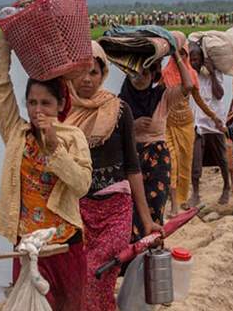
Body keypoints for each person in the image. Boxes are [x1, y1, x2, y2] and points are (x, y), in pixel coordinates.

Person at [0, 34, 92, 311]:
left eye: (45, 103)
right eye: (32, 103)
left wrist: (55, 149)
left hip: (64, 245)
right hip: (27, 246)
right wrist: (5, 49)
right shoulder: (17, 133)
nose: (38, 111)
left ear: (60, 105)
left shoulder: (73, 138)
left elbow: (82, 185)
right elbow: (0, 92)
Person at [65, 41, 160, 311]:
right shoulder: (63, 112)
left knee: (96, 272)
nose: (87, 78)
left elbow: (132, 167)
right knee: (85, 279)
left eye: (94, 72)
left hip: (116, 210)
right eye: (81, 71)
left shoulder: (118, 110)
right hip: (78, 211)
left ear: (103, 74)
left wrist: (146, 220)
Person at [118, 41, 193, 241]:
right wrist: (132, 127)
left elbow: (188, 86)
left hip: (157, 160)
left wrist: (176, 56)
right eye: (135, 74)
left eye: (145, 73)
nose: (139, 79)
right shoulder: (120, 102)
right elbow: (113, 133)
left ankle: (152, 248)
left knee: (155, 207)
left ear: (153, 75)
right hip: (131, 159)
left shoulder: (162, 96)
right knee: (131, 208)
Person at [162, 31, 222, 213]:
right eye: (176, 54)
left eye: (183, 54)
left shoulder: (191, 75)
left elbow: (199, 100)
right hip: (169, 125)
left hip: (186, 125)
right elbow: (159, 100)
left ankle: (182, 200)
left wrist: (214, 117)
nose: (180, 57)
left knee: (185, 165)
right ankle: (173, 205)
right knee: (172, 164)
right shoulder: (165, 74)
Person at [188, 41, 230, 206]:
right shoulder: (190, 76)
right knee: (195, 159)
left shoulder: (214, 73)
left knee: (221, 158)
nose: (193, 63)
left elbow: (219, 95)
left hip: (214, 122)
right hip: (196, 122)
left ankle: (226, 186)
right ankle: (196, 193)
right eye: (191, 60)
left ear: (202, 59)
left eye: (196, 59)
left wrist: (212, 74)